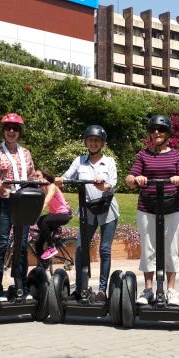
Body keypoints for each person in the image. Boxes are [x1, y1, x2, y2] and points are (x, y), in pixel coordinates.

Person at [126, 115, 179, 306]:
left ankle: (171, 290)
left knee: (171, 250)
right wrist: (136, 179)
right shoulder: (143, 155)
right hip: (147, 207)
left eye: (161, 130)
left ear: (167, 133)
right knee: (148, 249)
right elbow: (129, 179)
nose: (157, 133)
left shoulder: (176, 155)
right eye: (153, 130)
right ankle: (148, 290)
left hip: (172, 207)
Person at [55, 125, 119, 302]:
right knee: (81, 247)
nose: (93, 143)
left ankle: (102, 290)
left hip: (107, 210)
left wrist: (103, 185)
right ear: (86, 142)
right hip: (87, 209)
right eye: (90, 140)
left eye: (97, 140)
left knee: (104, 250)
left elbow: (111, 184)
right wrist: (60, 180)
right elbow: (67, 176)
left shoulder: (110, 161)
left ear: (102, 143)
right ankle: (81, 287)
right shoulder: (79, 161)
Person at [0, 113, 36, 302]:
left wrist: (40, 182)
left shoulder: (26, 153)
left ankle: (20, 284)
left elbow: (31, 178)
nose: (11, 131)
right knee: (2, 245)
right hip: (3, 202)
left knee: (22, 245)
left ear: (19, 132)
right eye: (8, 128)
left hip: (23, 204)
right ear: (3, 131)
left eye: (15, 128)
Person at [33, 168, 73, 260]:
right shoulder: (42, 188)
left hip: (62, 215)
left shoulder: (52, 186)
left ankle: (51, 247)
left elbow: (46, 202)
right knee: (38, 243)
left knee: (41, 221)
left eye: (38, 176)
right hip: (54, 216)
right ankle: (43, 264)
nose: (36, 178)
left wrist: (36, 214)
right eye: (34, 176)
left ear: (45, 177)